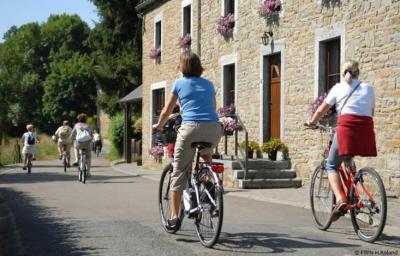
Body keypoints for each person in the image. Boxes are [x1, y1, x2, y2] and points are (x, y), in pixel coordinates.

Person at [153, 51, 223, 229]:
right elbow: (213, 107)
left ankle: (174, 216)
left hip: (190, 128)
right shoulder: (208, 83)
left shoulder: (179, 83)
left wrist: (159, 125)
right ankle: (210, 190)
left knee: (179, 171)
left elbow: (166, 111)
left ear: (182, 66)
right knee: (206, 159)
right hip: (213, 128)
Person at [306, 60, 377, 221]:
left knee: (331, 164)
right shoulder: (369, 88)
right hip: (366, 131)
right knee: (348, 157)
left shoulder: (338, 88)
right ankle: (355, 191)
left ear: (342, 73)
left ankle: (341, 200)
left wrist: (312, 122)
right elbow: (371, 111)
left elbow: (321, 109)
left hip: (347, 130)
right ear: (358, 72)